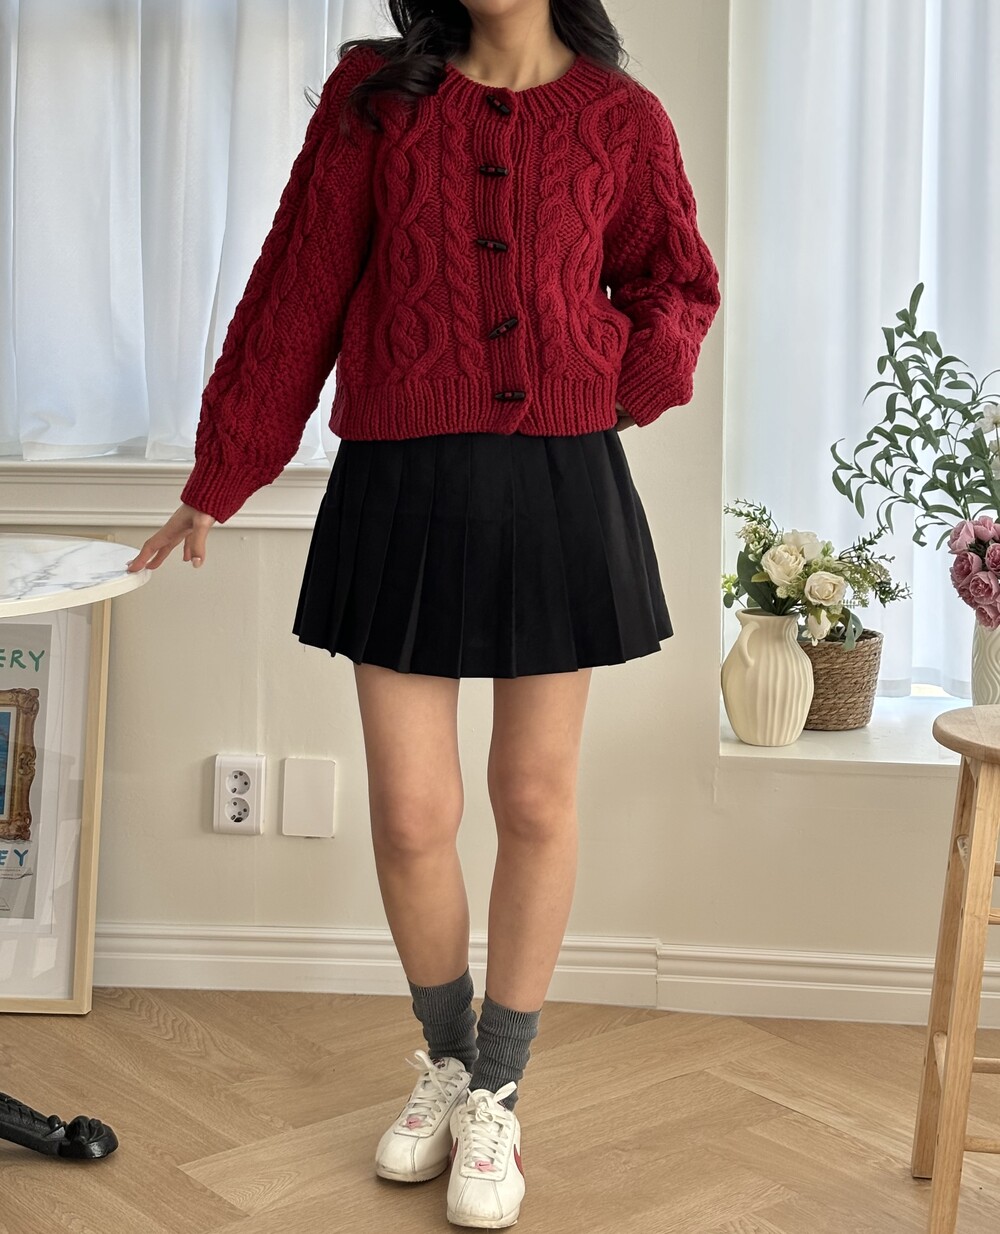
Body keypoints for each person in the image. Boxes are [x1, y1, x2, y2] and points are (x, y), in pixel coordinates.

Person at [126, 0, 720, 1227]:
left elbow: (676, 281)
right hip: (401, 478)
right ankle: (449, 1062)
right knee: (411, 812)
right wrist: (221, 471)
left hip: (559, 479)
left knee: (535, 798)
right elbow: (296, 288)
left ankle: (498, 1091)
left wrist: (622, 369)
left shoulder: (622, 119)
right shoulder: (376, 99)